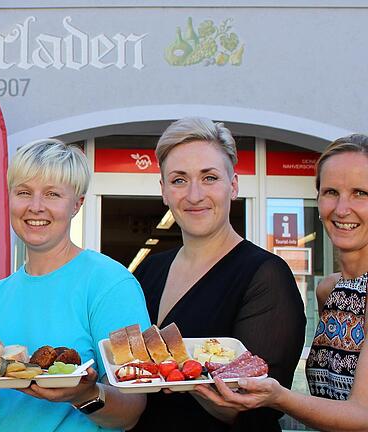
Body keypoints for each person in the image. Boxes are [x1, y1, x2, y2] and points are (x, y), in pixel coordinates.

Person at [0, 139, 151, 432]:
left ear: (77, 204)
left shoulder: (111, 284)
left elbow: (132, 409)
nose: (35, 207)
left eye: (52, 194)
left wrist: (85, 395)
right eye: (24, 192)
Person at [130, 117, 306, 431]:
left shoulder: (265, 275)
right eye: (179, 180)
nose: (194, 195)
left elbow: (255, 409)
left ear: (233, 185)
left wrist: (187, 376)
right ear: (164, 191)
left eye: (209, 177)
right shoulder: (149, 270)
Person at [194, 134, 368, 431]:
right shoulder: (329, 290)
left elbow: (362, 414)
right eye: (330, 192)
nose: (341, 209)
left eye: (360, 193)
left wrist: (278, 397)